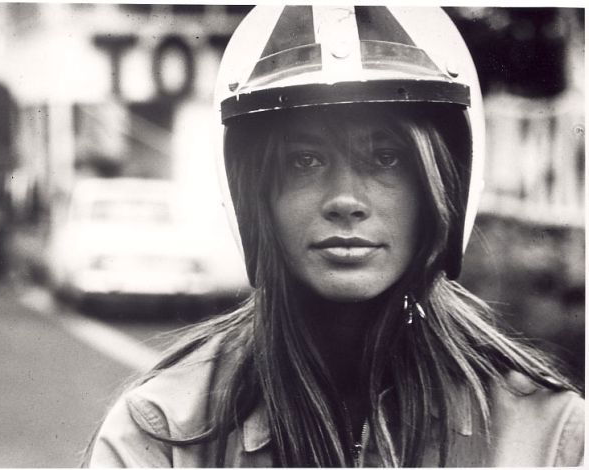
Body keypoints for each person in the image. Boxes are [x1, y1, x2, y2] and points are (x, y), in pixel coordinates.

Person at [86, 6, 583, 467]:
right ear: (256, 195)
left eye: (386, 158)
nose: (345, 199)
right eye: (305, 161)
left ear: (439, 183)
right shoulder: (162, 429)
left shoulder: (550, 434)